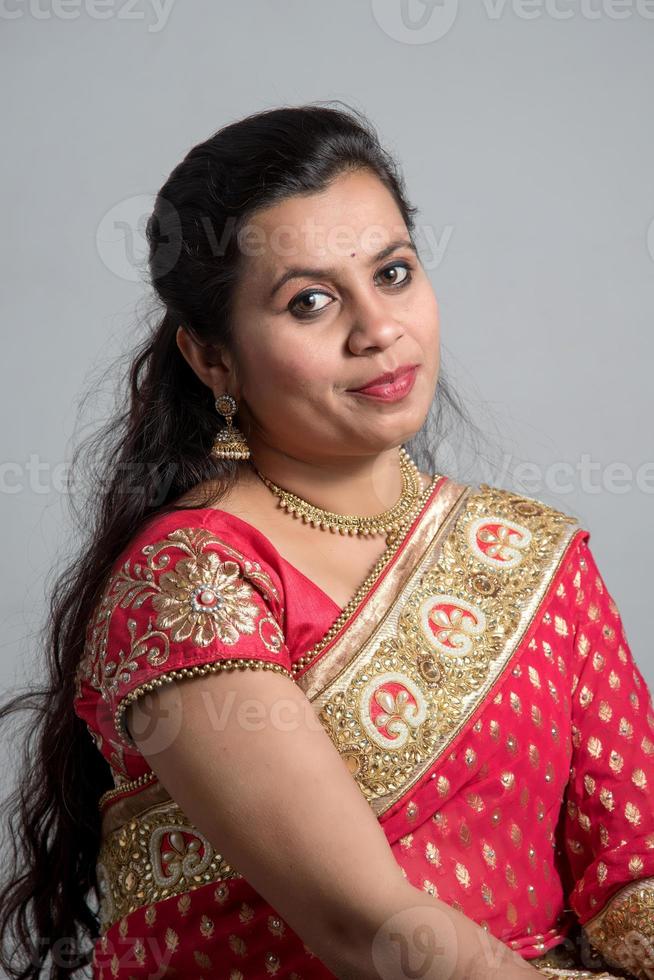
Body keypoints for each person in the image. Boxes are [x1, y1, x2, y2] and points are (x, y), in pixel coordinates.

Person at [0, 104, 652, 980]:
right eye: (309, 301)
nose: (377, 329)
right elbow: (367, 927)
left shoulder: (534, 556)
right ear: (212, 360)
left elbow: (634, 874)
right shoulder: (189, 582)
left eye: (392, 272)